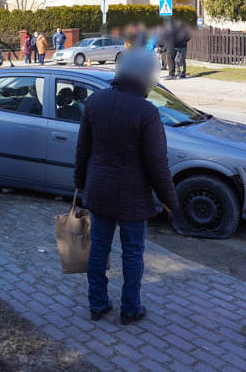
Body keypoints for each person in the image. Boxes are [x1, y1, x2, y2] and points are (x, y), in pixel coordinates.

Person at [74, 50, 178, 325]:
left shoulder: (95, 102)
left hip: (99, 191)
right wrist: (169, 199)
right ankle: (130, 309)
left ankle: (97, 305)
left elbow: (82, 148)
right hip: (132, 195)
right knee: (132, 253)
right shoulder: (146, 112)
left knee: (98, 248)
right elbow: (158, 162)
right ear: (144, 76)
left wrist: (80, 184)